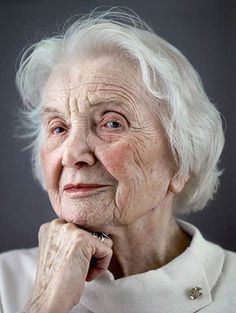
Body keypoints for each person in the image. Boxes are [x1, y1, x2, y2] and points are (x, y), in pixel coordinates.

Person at [0, 8, 235, 313]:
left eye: (111, 123)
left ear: (181, 160)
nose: (72, 154)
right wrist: (45, 303)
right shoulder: (5, 283)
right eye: (58, 128)